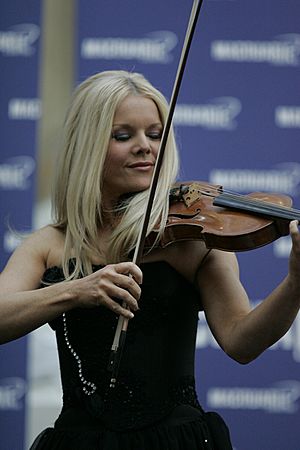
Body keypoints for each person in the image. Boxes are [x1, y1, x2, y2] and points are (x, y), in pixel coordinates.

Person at [0, 70, 299, 450]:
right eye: (123, 136)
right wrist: (76, 291)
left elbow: (242, 342)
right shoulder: (49, 245)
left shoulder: (193, 239)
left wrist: (295, 283)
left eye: (155, 134)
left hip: (178, 441)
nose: (145, 146)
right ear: (87, 145)